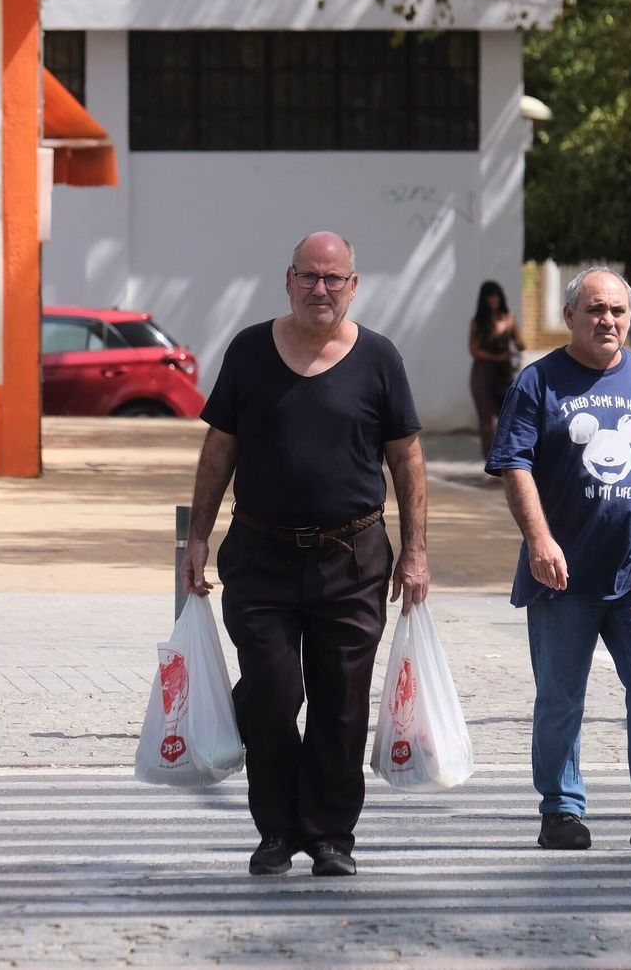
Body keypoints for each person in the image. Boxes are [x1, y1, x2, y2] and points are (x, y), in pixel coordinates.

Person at [181, 231, 429, 878]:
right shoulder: (248, 352)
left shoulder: (379, 358)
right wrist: (197, 537)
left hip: (354, 558)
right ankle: (276, 828)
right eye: (309, 277)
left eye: (334, 279)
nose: (321, 289)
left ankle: (329, 835)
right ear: (287, 280)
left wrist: (416, 551)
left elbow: (406, 458)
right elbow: (218, 452)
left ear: (354, 285)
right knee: (271, 692)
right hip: (259, 557)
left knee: (341, 701)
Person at [486, 265, 631, 851]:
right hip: (562, 576)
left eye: (616, 311)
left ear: (629, 319)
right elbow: (515, 465)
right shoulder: (538, 382)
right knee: (561, 694)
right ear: (569, 317)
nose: (606, 320)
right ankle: (561, 810)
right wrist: (539, 539)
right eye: (594, 310)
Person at [468, 280, 526, 461]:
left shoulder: (509, 319)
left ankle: (506, 457)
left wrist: (517, 340)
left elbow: (520, 343)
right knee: (487, 421)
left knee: (507, 417)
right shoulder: (478, 322)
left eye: (495, 296)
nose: (493, 301)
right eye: (489, 297)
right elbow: (474, 350)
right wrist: (497, 357)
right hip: (482, 373)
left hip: (504, 374)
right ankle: (490, 461)